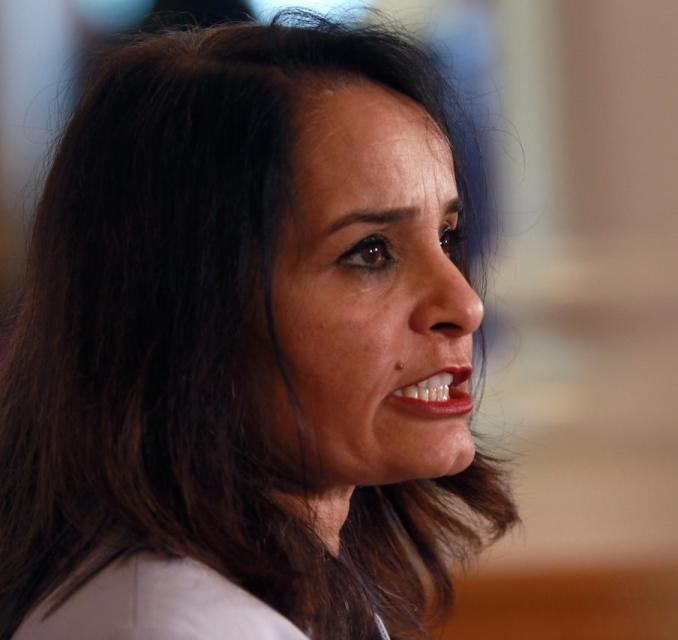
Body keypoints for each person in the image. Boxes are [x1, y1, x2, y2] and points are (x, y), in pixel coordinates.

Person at [0, 10, 518, 640]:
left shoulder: (302, 588)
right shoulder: (169, 627)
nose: (464, 305)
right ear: (191, 305)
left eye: (447, 235)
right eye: (371, 252)